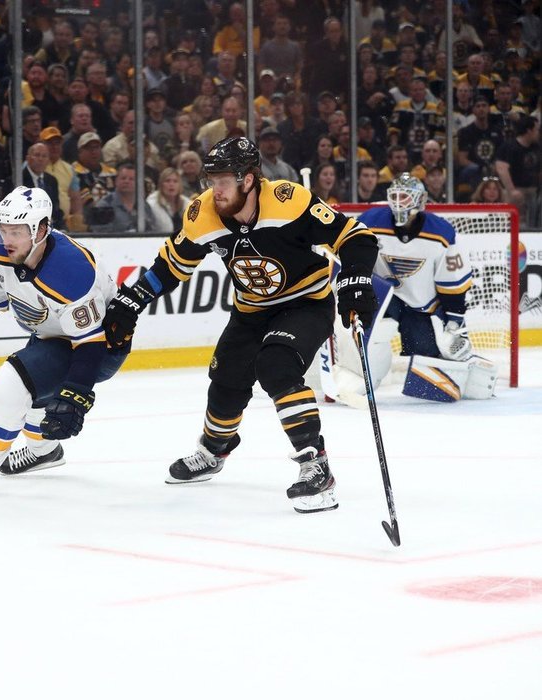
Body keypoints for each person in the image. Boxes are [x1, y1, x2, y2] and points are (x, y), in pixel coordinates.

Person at [101, 136, 378, 513]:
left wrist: (357, 280)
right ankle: (215, 450)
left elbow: (355, 237)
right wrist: (133, 299)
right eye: (211, 180)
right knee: (226, 379)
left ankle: (316, 465)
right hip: (250, 311)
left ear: (249, 179)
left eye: (224, 180)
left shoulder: (288, 200)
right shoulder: (203, 213)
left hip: (305, 304)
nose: (215, 189)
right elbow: (171, 266)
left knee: (276, 366)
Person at [0, 185, 128, 494]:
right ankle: (44, 452)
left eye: (17, 231)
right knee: (34, 392)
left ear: (42, 229)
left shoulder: (71, 270)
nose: (6, 239)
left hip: (100, 347)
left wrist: (76, 393)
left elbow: (90, 343)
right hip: (52, 334)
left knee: (11, 382)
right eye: (3, 228)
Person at [333, 173, 497, 403]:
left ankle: (460, 372)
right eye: (395, 195)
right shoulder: (371, 221)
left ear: (420, 201)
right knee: (365, 331)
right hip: (381, 296)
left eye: (405, 197)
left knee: (428, 356)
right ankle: (359, 377)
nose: (399, 202)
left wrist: (454, 319)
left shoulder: (441, 233)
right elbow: (348, 251)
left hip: (421, 305)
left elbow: (452, 282)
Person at [145, 167, 191, 234]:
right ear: (161, 184)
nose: (171, 184)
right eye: (167, 181)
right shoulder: (152, 203)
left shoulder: (186, 203)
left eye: (175, 181)